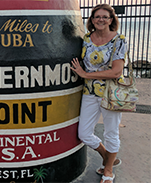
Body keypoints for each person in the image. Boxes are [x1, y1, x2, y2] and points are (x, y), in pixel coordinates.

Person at [70, 4, 127, 183]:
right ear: (92, 20)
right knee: (84, 133)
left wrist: (86, 74)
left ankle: (108, 170)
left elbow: (116, 71)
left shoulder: (119, 40)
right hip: (89, 92)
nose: (101, 20)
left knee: (111, 132)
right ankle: (108, 157)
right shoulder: (87, 38)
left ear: (111, 20)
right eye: (97, 16)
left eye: (105, 17)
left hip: (111, 92)